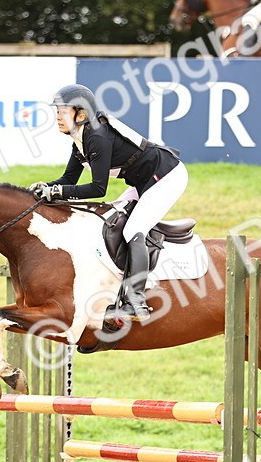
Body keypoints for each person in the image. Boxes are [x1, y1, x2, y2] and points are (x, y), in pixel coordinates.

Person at [30, 85, 187, 322]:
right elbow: (68, 181)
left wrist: (57, 191)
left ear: (81, 115)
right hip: (143, 181)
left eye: (63, 112)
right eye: (57, 112)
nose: (58, 118)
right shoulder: (80, 140)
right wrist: (43, 190)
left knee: (134, 229)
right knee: (108, 221)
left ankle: (135, 300)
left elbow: (97, 188)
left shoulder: (97, 138)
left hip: (166, 176)